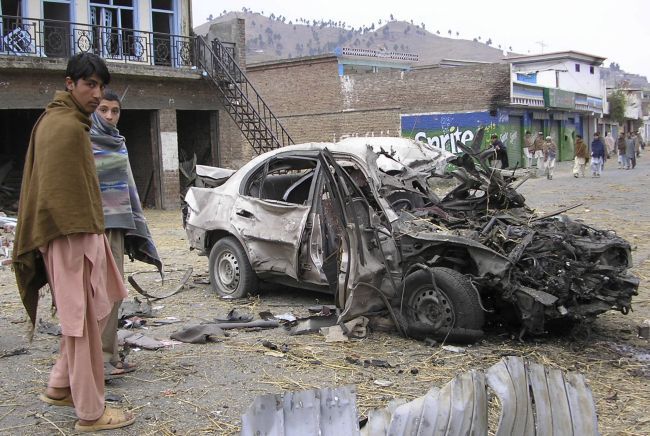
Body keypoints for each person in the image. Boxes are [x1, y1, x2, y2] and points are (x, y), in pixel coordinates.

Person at [12, 53, 135, 432]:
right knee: (82, 322)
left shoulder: (61, 120)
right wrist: (81, 236)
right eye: (89, 85)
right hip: (71, 236)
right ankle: (91, 412)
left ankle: (59, 385)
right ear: (70, 84)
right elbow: (58, 194)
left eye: (100, 85)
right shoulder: (65, 127)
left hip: (76, 233)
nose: (97, 94)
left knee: (94, 308)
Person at [91, 90, 163, 379]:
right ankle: (96, 361)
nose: (109, 116)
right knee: (96, 295)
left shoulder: (117, 142)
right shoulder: (85, 141)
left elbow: (126, 188)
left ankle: (109, 355)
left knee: (114, 294)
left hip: (116, 228)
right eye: (103, 110)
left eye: (115, 110)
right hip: (92, 229)